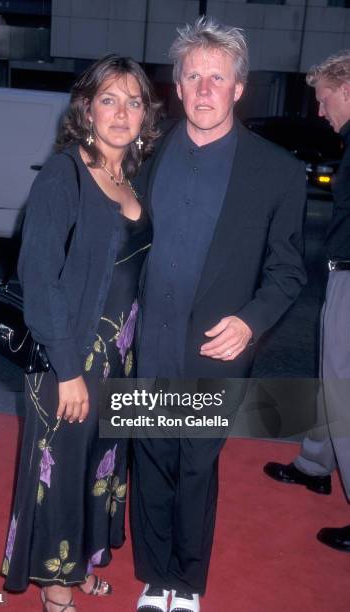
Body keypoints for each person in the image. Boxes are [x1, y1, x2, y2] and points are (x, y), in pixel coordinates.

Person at [131, 17, 307, 612]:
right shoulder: (143, 156)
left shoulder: (277, 171)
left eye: (218, 78)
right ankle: (155, 578)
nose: (204, 89)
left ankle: (187, 584)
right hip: (146, 343)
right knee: (151, 460)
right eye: (193, 77)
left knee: (196, 466)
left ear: (239, 89)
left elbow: (287, 271)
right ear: (176, 87)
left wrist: (251, 322)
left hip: (213, 349)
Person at [1, 54, 160, 611]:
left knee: (102, 464)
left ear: (146, 114)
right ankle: (56, 585)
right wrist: (67, 369)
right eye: (108, 99)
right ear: (86, 109)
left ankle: (83, 558)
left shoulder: (128, 176)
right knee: (62, 470)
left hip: (119, 358)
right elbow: (38, 276)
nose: (121, 112)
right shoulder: (63, 174)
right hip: (69, 358)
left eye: (133, 101)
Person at [264, 50, 350, 554]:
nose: (320, 111)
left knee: (344, 390)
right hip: (341, 276)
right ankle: (316, 465)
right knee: (330, 378)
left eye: (324, 99)